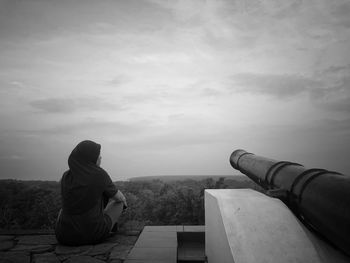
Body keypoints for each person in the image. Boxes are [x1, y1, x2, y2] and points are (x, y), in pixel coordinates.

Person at [55, 140, 127, 245]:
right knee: (119, 203)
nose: (100, 158)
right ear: (91, 158)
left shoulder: (66, 176)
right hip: (93, 234)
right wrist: (123, 202)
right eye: (98, 155)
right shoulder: (99, 175)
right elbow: (120, 198)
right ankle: (110, 229)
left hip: (63, 236)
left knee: (63, 210)